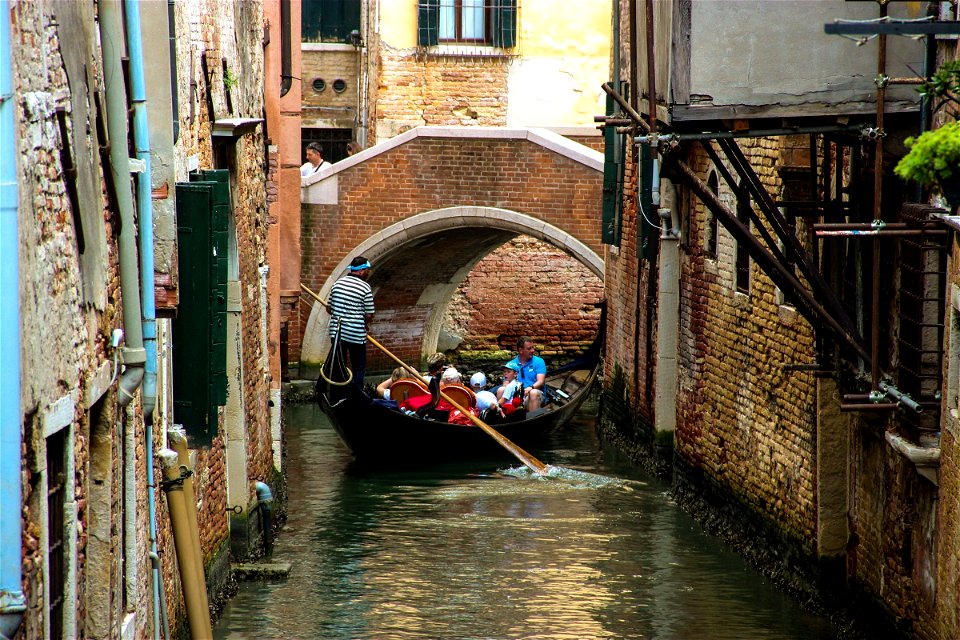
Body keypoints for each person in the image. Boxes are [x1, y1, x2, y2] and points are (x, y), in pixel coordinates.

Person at [326, 256, 375, 387]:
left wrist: (341, 312)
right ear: (361, 271)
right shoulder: (365, 287)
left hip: (337, 332)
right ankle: (357, 393)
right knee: (358, 366)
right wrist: (365, 325)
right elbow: (369, 314)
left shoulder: (337, 284)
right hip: (356, 334)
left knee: (338, 364)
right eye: (367, 270)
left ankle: (337, 390)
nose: (368, 273)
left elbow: (329, 309)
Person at [507, 336, 547, 411]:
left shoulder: (539, 361)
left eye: (532, 348)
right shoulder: (511, 364)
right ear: (520, 350)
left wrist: (530, 388)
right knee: (501, 390)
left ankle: (532, 419)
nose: (532, 350)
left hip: (533, 393)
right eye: (529, 349)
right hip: (516, 396)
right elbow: (506, 383)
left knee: (533, 393)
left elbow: (541, 381)